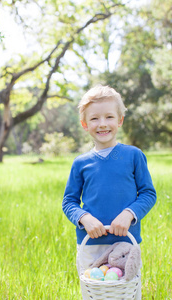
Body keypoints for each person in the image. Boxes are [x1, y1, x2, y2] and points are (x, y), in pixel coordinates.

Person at [62, 85, 156, 300]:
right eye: (94, 119)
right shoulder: (81, 163)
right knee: (95, 293)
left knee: (126, 294)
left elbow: (148, 193)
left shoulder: (133, 155)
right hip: (91, 244)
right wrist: (84, 218)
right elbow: (69, 202)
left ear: (120, 120)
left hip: (125, 244)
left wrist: (129, 214)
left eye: (109, 117)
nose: (102, 124)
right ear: (85, 125)